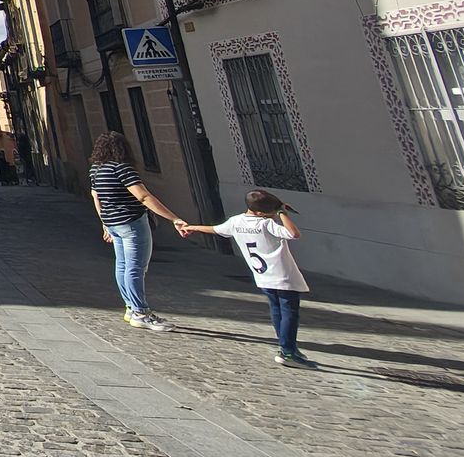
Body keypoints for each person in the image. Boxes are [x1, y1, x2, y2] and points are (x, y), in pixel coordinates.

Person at [181, 191, 317, 368]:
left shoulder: (236, 221)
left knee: (276, 309)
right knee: (290, 313)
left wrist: (192, 227)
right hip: (282, 275)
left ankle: (286, 345)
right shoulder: (266, 224)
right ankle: (288, 351)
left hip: (262, 275)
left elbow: (215, 229)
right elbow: (293, 234)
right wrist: (283, 213)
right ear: (260, 213)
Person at [87, 130, 187, 331]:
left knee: (122, 266)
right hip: (132, 223)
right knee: (136, 268)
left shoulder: (96, 170)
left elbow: (95, 196)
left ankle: (130, 307)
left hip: (113, 223)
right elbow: (143, 197)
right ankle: (141, 312)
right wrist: (174, 218)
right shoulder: (122, 169)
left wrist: (104, 223)